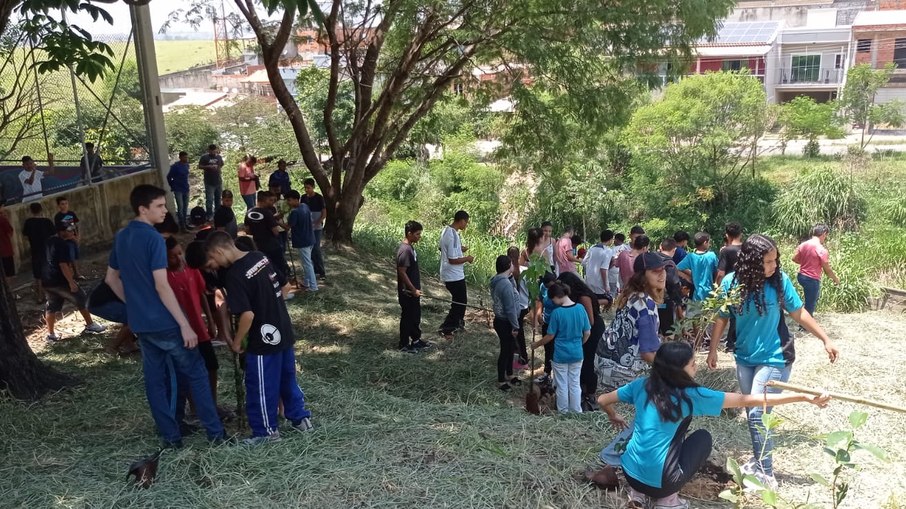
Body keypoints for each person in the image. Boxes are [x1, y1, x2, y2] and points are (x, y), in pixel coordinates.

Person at [599, 341, 831, 509]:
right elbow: (745, 399)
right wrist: (803, 398)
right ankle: (668, 502)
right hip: (662, 484)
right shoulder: (691, 395)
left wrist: (613, 415)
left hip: (629, 472)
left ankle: (637, 495)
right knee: (702, 438)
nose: (696, 368)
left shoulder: (642, 385)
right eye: (692, 365)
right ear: (679, 370)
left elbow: (602, 400)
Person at [707, 234, 840, 489]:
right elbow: (722, 317)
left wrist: (826, 338)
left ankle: (766, 475)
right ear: (752, 263)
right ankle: (759, 464)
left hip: (775, 358)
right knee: (753, 412)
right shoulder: (731, 284)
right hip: (744, 358)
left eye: (775, 260)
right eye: (768, 262)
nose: (774, 266)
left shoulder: (779, 281)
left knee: (758, 413)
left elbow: (799, 312)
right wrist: (713, 349)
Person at [104, 184, 226, 447]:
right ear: (143, 209)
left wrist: (134, 304)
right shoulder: (153, 239)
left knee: (156, 381)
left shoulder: (122, 236)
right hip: (166, 322)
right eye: (159, 206)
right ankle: (216, 434)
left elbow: (111, 279)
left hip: (142, 324)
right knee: (196, 372)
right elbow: (162, 285)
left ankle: (171, 437)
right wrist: (185, 324)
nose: (165, 210)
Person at [204, 231, 314, 444]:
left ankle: (266, 432)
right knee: (287, 380)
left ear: (219, 251)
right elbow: (285, 287)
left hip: (263, 341)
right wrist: (271, 306)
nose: (215, 265)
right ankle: (301, 419)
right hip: (282, 329)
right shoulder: (259, 257)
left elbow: (247, 314)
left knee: (261, 386)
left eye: (213, 260)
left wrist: (236, 342)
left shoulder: (236, 274)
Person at [591, 252, 665, 475]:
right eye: (655, 272)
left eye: (663, 271)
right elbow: (647, 353)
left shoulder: (632, 295)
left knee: (650, 407)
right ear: (644, 276)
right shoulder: (647, 306)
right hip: (621, 366)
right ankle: (614, 457)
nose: (661, 275)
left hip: (603, 359)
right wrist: (674, 368)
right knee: (655, 408)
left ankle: (612, 414)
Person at [166, 237, 222, 412]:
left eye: (179, 253)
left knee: (211, 365)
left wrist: (211, 321)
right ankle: (195, 407)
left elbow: (203, 293)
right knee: (187, 368)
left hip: (199, 327)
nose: (179, 258)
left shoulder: (191, 268)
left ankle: (212, 402)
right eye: (173, 256)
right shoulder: (163, 277)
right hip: (180, 330)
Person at [532, 282, 590, 413]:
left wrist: (537, 344)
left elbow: (550, 336)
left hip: (560, 354)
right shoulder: (580, 308)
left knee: (562, 384)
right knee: (575, 383)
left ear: (557, 297)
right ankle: (576, 411)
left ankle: (563, 411)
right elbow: (587, 332)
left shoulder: (557, 313)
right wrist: (580, 344)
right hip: (577, 353)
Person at [43, 222, 107, 342]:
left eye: (73, 230)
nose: (72, 232)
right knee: (81, 298)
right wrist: (71, 282)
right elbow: (63, 265)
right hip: (60, 280)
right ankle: (90, 325)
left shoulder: (50, 241)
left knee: (51, 305)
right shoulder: (62, 244)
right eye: (69, 230)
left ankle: (51, 334)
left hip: (47, 279)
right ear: (61, 231)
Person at [557, 271, 605, 411]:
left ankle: (591, 393)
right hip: (583, 331)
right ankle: (582, 389)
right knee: (582, 361)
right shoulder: (573, 297)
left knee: (589, 361)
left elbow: (589, 321)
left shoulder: (583, 297)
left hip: (592, 331)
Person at [245, 191, 292, 300]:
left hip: (258, 246)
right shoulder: (267, 213)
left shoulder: (249, 212)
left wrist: (258, 232)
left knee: (266, 268)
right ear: (262, 200)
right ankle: (282, 291)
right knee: (279, 267)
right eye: (269, 200)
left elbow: (247, 231)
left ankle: (270, 290)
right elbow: (275, 231)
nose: (271, 202)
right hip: (272, 245)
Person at [438, 210, 473, 339]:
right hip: (453, 275)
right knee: (459, 302)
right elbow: (452, 260)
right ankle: (447, 328)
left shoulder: (446, 231)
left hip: (452, 273)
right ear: (461, 221)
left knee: (461, 301)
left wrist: (459, 249)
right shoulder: (452, 235)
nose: (466, 225)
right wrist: (467, 258)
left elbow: (442, 248)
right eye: (466, 222)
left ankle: (458, 325)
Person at [792, 224, 839, 317]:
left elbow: (794, 258)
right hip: (812, 278)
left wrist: (806, 263)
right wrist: (835, 279)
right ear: (824, 234)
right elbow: (827, 269)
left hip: (801, 276)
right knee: (810, 303)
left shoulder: (803, 245)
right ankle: (804, 325)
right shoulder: (821, 249)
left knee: (813, 297)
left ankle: (803, 315)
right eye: (826, 236)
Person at [490, 255, 521, 391]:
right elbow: (510, 308)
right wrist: (515, 326)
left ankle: (510, 373)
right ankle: (501, 379)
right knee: (505, 350)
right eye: (512, 264)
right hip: (506, 322)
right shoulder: (505, 285)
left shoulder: (501, 280)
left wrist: (511, 276)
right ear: (509, 265)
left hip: (503, 320)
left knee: (510, 348)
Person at [397, 221, 428, 353]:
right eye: (417, 234)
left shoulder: (410, 247)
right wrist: (412, 289)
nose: (419, 236)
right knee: (407, 318)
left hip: (414, 291)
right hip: (408, 292)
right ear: (409, 233)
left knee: (415, 316)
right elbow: (402, 272)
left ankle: (416, 340)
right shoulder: (405, 250)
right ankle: (404, 345)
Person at [717, 222, 744, 351]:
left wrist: (717, 286)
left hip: (729, 284)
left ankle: (731, 343)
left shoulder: (726, 251)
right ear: (741, 234)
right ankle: (734, 341)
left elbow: (721, 272)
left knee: (727, 315)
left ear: (727, 235)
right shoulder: (747, 248)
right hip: (744, 284)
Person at [285, 190, 318, 293]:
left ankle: (313, 286)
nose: (288, 203)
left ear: (296, 199)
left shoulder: (295, 212)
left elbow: (288, 227)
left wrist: (277, 222)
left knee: (307, 263)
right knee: (307, 262)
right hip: (310, 238)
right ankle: (307, 282)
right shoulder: (305, 206)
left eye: (289, 200)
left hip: (303, 241)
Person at [22, 202, 56, 302]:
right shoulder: (47, 221)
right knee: (48, 272)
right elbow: (53, 235)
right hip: (46, 250)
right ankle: (50, 294)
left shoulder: (28, 222)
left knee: (38, 274)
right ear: (41, 210)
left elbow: (25, 236)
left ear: (31, 211)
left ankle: (40, 296)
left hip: (35, 250)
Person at [677, 232, 718, 303]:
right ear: (705, 242)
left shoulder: (691, 256)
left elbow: (677, 269)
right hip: (710, 294)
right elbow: (718, 271)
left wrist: (687, 277)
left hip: (696, 295)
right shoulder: (712, 256)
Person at [507, 245, 530, 367]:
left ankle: (522, 358)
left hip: (516, 307)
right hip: (524, 306)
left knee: (516, 333)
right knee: (518, 332)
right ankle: (521, 357)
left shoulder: (508, 273)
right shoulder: (526, 271)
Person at [656, 239, 684, 338]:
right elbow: (673, 284)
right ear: (674, 249)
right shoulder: (670, 264)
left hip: (650, 299)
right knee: (667, 330)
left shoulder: (652, 259)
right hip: (664, 301)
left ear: (661, 247)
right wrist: (678, 301)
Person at [300, 178, 327, 280]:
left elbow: (324, 213)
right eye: (305, 188)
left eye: (309, 188)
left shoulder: (319, 198)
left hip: (317, 227)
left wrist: (317, 222)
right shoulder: (303, 198)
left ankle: (321, 271)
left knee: (316, 248)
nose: (307, 190)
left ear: (313, 187)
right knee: (308, 250)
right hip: (307, 227)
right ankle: (313, 271)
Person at [582, 229, 615, 303]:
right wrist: (606, 285)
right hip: (599, 282)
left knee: (591, 298)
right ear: (610, 240)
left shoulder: (592, 248)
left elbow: (583, 263)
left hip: (589, 280)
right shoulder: (608, 251)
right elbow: (603, 269)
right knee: (607, 300)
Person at [198, 144, 224, 221]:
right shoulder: (204, 157)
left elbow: (221, 164)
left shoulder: (219, 157)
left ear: (216, 150)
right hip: (209, 182)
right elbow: (199, 166)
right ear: (208, 150)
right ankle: (209, 215)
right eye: (211, 150)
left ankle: (218, 215)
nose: (213, 152)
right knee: (209, 200)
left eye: (214, 150)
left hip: (218, 181)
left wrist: (218, 168)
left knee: (218, 199)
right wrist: (208, 167)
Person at [167, 151, 191, 231]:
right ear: (180, 157)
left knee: (185, 207)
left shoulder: (187, 165)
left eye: (187, 157)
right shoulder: (175, 166)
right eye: (184, 157)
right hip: (178, 189)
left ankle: (185, 223)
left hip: (185, 188)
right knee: (180, 207)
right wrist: (172, 186)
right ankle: (182, 226)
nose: (186, 159)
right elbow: (169, 177)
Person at [0, 200, 14, 286]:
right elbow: (10, 234)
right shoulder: (3, 220)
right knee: (9, 274)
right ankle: (8, 293)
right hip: (5, 250)